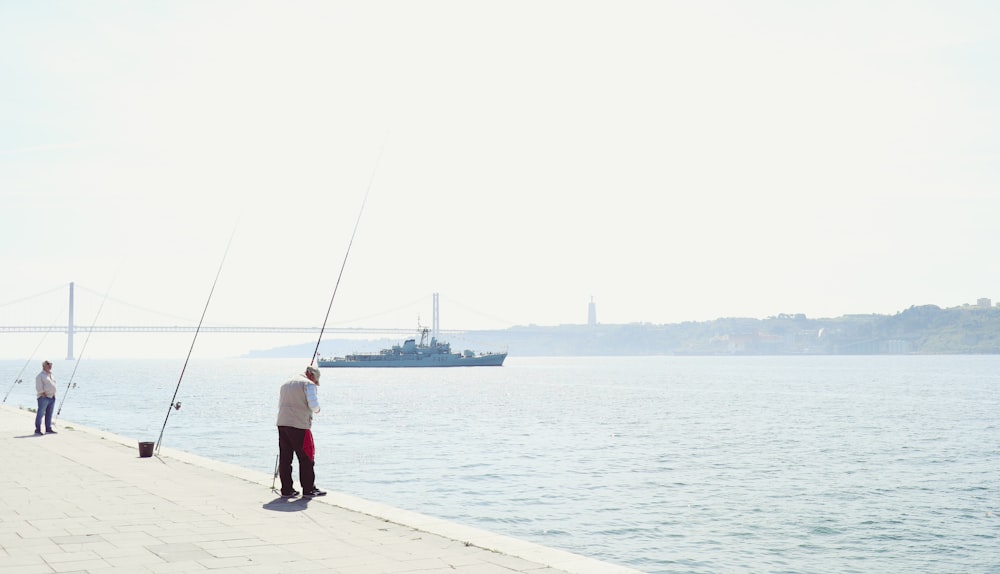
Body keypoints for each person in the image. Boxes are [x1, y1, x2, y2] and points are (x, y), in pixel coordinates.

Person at [275, 365, 326, 498]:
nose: (315, 384)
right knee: (306, 458)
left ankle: (286, 489)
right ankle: (309, 489)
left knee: (285, 458)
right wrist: (318, 410)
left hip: (282, 423)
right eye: (316, 381)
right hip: (299, 425)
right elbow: (314, 406)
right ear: (312, 376)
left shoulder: (286, 383)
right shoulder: (308, 384)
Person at [34, 360, 57, 435]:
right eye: (48, 365)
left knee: (49, 414)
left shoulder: (51, 375)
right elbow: (38, 386)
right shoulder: (40, 376)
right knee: (40, 413)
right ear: (44, 366)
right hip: (44, 397)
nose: (50, 366)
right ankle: (37, 429)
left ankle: (48, 428)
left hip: (52, 397)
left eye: (51, 365)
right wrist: (42, 393)